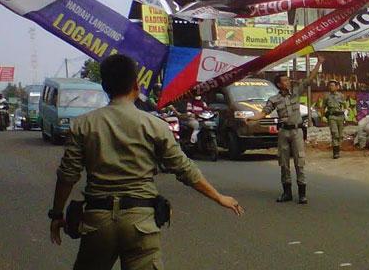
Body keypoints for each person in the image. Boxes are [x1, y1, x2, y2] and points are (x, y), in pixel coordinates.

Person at [48, 54, 243, 269]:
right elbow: (184, 169)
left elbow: (67, 175)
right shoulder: (155, 126)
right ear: (136, 85)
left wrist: (57, 214)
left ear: (104, 86)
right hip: (141, 222)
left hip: (97, 222)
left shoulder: (82, 125)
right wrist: (218, 197)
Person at [246, 56, 325, 204]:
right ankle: (286, 192)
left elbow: (309, 79)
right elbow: (264, 112)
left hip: (297, 132)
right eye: (285, 81)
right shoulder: (274, 99)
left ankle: (302, 194)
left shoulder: (296, 92)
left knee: (299, 162)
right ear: (279, 84)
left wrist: (319, 63)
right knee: (284, 163)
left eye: (288, 80)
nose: (288, 82)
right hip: (283, 132)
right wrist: (252, 118)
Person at [322, 80, 346, 159]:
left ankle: (338, 148)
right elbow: (323, 107)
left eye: (332, 85)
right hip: (332, 117)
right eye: (330, 85)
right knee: (334, 133)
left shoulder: (341, 96)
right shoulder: (326, 96)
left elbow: (345, 105)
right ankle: (335, 152)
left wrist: (346, 113)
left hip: (340, 117)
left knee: (340, 135)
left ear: (336, 87)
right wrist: (323, 116)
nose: (331, 87)